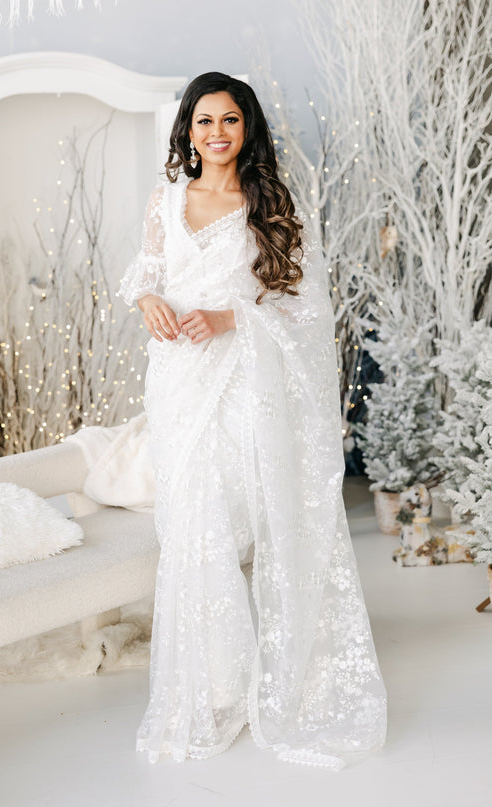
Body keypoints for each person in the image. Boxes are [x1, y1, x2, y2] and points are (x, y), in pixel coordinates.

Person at [118, 71, 387, 770]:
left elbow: (305, 306)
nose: (215, 133)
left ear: (247, 129)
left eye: (229, 120)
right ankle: (209, 688)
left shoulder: (268, 201)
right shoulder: (166, 200)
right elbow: (144, 272)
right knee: (193, 525)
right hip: (179, 383)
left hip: (245, 384)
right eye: (203, 121)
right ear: (186, 130)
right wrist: (148, 299)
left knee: (254, 519)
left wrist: (227, 316)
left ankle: (279, 676)